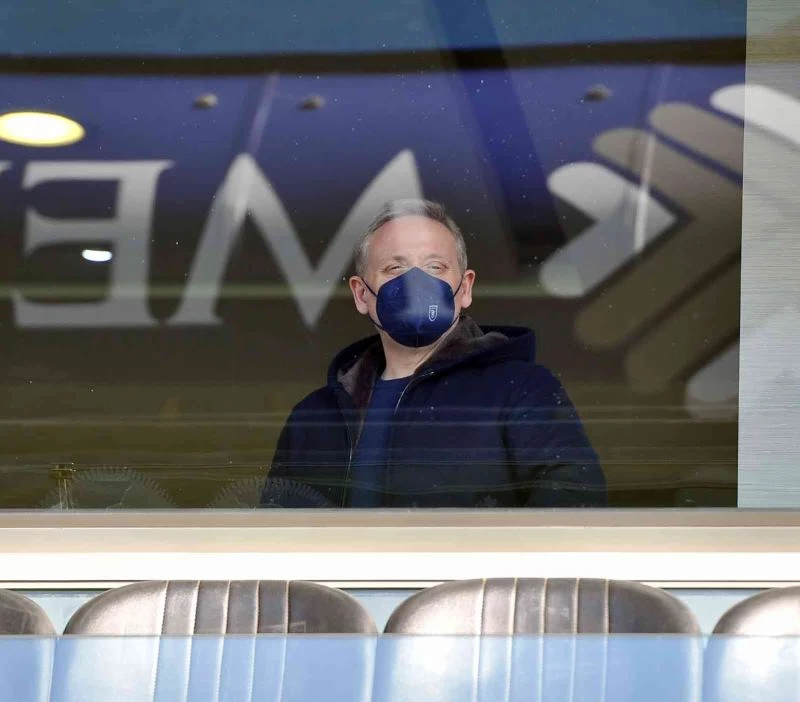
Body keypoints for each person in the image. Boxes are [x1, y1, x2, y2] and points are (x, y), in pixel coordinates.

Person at [260, 199, 606, 508]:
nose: (416, 283)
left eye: (435, 267)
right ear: (361, 294)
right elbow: (278, 537)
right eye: (395, 268)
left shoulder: (521, 391)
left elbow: (572, 509)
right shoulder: (315, 417)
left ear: (465, 288)